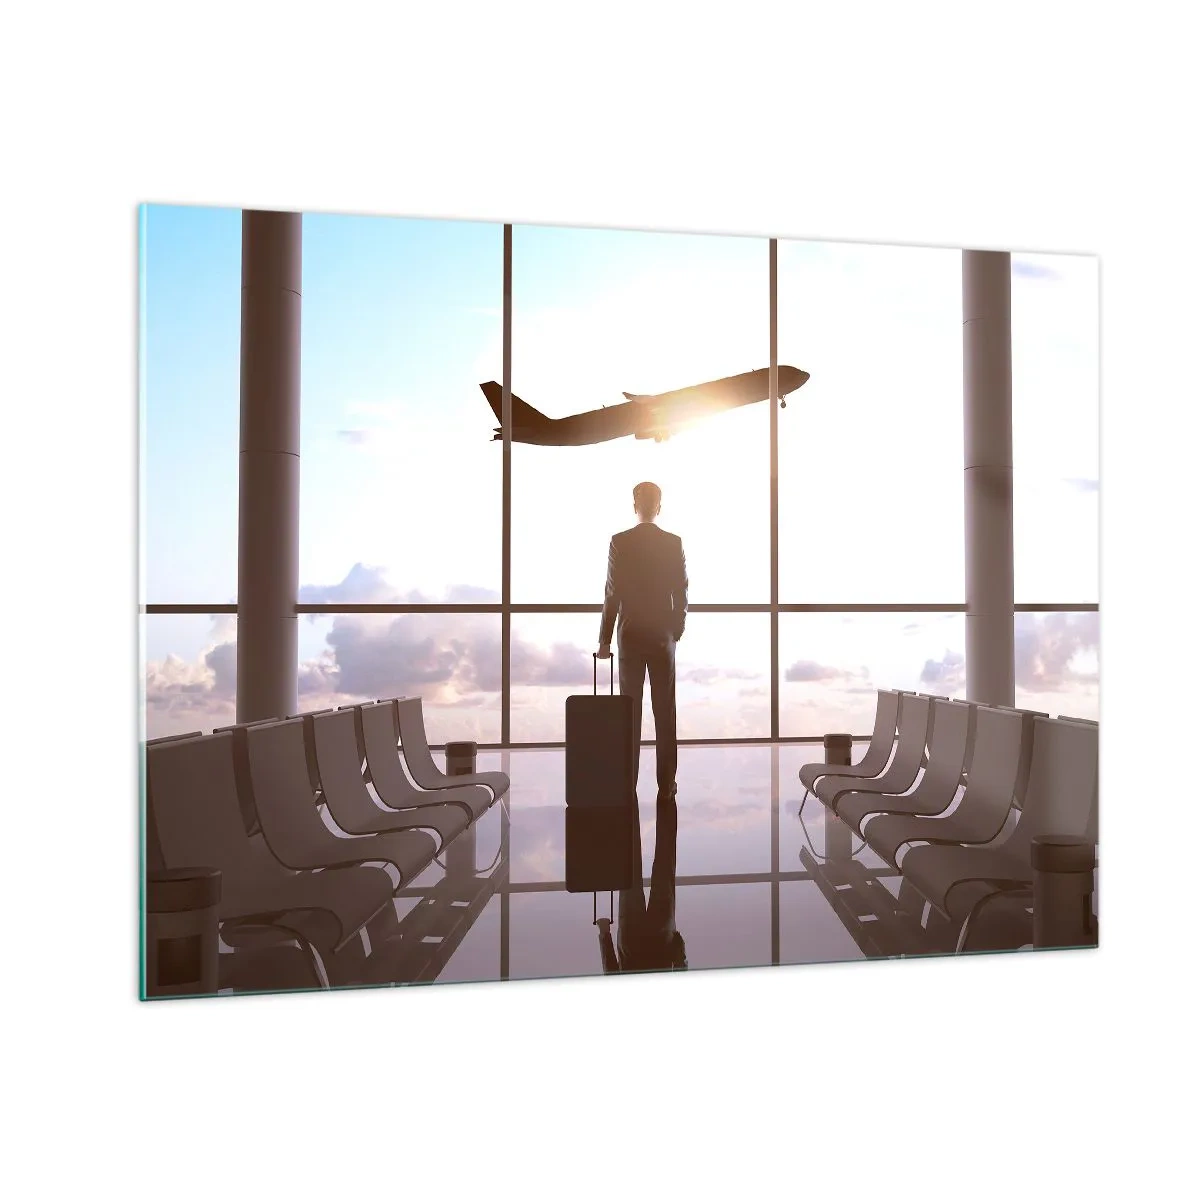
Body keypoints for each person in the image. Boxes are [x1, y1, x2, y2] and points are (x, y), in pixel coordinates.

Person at [597, 481, 688, 800]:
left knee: (629, 713)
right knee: (665, 712)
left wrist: (605, 640)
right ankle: (666, 786)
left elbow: (612, 594)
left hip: (631, 635)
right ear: (658, 507)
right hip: (662, 636)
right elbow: (681, 592)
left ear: (634, 505)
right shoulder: (672, 542)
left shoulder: (619, 542)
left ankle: (627, 783)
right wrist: (675, 630)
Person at [596, 794, 686, 973]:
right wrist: (605, 933)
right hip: (631, 943)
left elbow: (681, 967)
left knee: (665, 862)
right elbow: (611, 974)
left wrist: (677, 943)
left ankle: (667, 796)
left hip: (662, 940)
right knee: (630, 862)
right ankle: (628, 790)